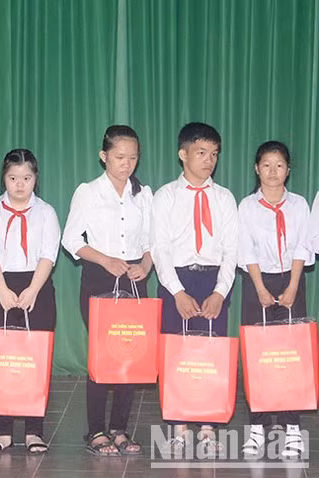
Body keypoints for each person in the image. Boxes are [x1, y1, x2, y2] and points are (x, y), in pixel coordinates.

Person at [61, 125, 152, 456]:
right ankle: (96, 431)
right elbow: (71, 239)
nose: (126, 164)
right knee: (103, 354)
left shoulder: (144, 194)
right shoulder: (88, 191)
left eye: (132, 158)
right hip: (100, 277)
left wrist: (146, 265)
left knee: (130, 352)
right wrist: (104, 260)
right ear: (104, 156)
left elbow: (152, 241)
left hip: (134, 278)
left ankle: (120, 429)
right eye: (119, 157)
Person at [150, 122, 238, 458]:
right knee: (177, 356)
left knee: (210, 357)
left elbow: (232, 250)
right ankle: (178, 428)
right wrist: (176, 291)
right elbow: (159, 248)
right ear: (182, 154)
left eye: (214, 154)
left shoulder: (224, 197)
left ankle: (208, 428)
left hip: (213, 281)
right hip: (177, 282)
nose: (209, 160)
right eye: (201, 153)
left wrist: (220, 292)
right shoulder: (165, 196)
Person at [237, 141, 313, 458]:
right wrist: (259, 288)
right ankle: (257, 427)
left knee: (292, 357)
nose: (272, 171)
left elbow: (302, 245)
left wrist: (293, 286)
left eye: (279, 165)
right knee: (258, 357)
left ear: (288, 170)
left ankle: (292, 427)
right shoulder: (246, 206)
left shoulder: (299, 205)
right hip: (257, 282)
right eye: (266, 165)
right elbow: (246, 249)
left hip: (292, 280)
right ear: (257, 168)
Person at [0, 149, 58, 454]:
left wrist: (34, 289)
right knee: (1, 359)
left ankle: (34, 431)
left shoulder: (46, 212)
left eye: (26, 178)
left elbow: (48, 254)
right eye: (13, 178)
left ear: (36, 178)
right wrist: (1, 290)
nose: (20, 184)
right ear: (4, 178)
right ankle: (2, 432)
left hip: (36, 286)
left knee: (34, 359)